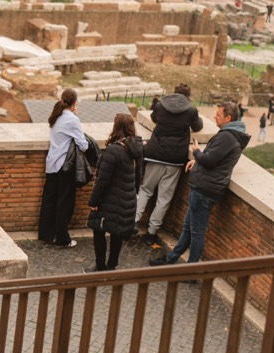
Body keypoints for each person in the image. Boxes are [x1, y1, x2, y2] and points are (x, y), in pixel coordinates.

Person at [150, 100, 249, 268]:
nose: (215, 117)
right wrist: (197, 161)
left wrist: (196, 152)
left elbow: (209, 160)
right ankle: (171, 259)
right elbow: (216, 158)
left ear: (228, 118)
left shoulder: (227, 136)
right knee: (189, 228)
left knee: (196, 232)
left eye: (218, 115)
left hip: (205, 189)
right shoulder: (231, 135)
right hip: (205, 187)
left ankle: (192, 270)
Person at [135, 84, 203, 248]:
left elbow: (154, 118)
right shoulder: (191, 111)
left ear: (173, 94)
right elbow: (198, 126)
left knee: (145, 190)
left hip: (155, 155)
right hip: (174, 160)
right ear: (188, 97)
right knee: (164, 198)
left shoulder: (160, 106)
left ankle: (132, 223)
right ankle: (151, 233)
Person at [85, 114, 143, 272]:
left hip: (109, 200)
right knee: (117, 232)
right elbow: (138, 178)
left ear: (116, 127)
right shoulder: (136, 149)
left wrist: (93, 202)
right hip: (127, 199)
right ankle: (112, 265)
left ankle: (100, 267)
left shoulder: (113, 150)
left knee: (99, 230)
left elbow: (102, 181)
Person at [38, 88, 92, 249]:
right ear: (74, 104)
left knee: (49, 200)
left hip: (51, 163)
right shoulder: (72, 119)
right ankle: (62, 238)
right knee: (64, 203)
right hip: (65, 166)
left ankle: (46, 234)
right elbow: (83, 145)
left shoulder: (56, 115)